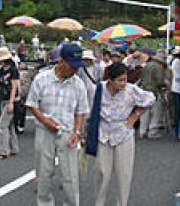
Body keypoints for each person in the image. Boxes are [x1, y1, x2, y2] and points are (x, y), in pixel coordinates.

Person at [27, 43, 89, 206]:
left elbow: (81, 111)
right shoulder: (42, 79)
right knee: (44, 173)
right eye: (72, 66)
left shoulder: (78, 84)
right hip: (44, 131)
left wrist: (77, 131)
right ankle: (45, 203)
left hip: (68, 132)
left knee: (70, 175)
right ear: (61, 61)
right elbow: (32, 104)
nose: (75, 70)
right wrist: (45, 121)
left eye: (78, 67)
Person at [86, 62, 155, 206]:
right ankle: (99, 203)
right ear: (110, 80)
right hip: (103, 134)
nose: (124, 83)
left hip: (124, 133)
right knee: (102, 172)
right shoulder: (97, 89)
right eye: (120, 80)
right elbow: (88, 110)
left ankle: (122, 203)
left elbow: (150, 98)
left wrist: (135, 116)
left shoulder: (131, 90)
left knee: (124, 174)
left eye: (125, 79)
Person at [0, 47, 20, 160]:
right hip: (3, 98)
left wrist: (11, 103)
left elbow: (14, 87)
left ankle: (3, 151)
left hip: (11, 99)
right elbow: (0, 83)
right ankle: (14, 148)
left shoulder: (13, 70)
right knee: (9, 125)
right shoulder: (1, 69)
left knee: (2, 125)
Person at [138, 51, 168, 139]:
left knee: (144, 112)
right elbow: (159, 82)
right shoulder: (159, 67)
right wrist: (165, 85)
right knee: (156, 113)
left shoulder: (147, 65)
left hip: (144, 91)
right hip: (155, 92)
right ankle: (152, 131)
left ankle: (142, 131)